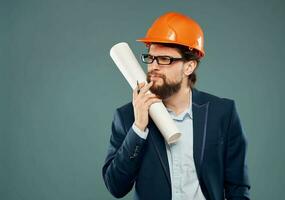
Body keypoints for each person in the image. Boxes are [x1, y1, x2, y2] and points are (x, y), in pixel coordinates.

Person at [102, 12, 250, 200]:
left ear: (189, 66)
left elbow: (238, 186)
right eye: (151, 58)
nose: (153, 66)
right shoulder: (127, 117)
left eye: (164, 59)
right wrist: (139, 128)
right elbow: (116, 187)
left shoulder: (222, 113)